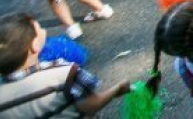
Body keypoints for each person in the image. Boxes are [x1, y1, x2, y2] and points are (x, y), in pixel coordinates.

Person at [0, 12, 130, 115]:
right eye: (40, 29)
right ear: (34, 46)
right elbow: (91, 105)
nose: (44, 31)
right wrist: (117, 89)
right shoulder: (64, 72)